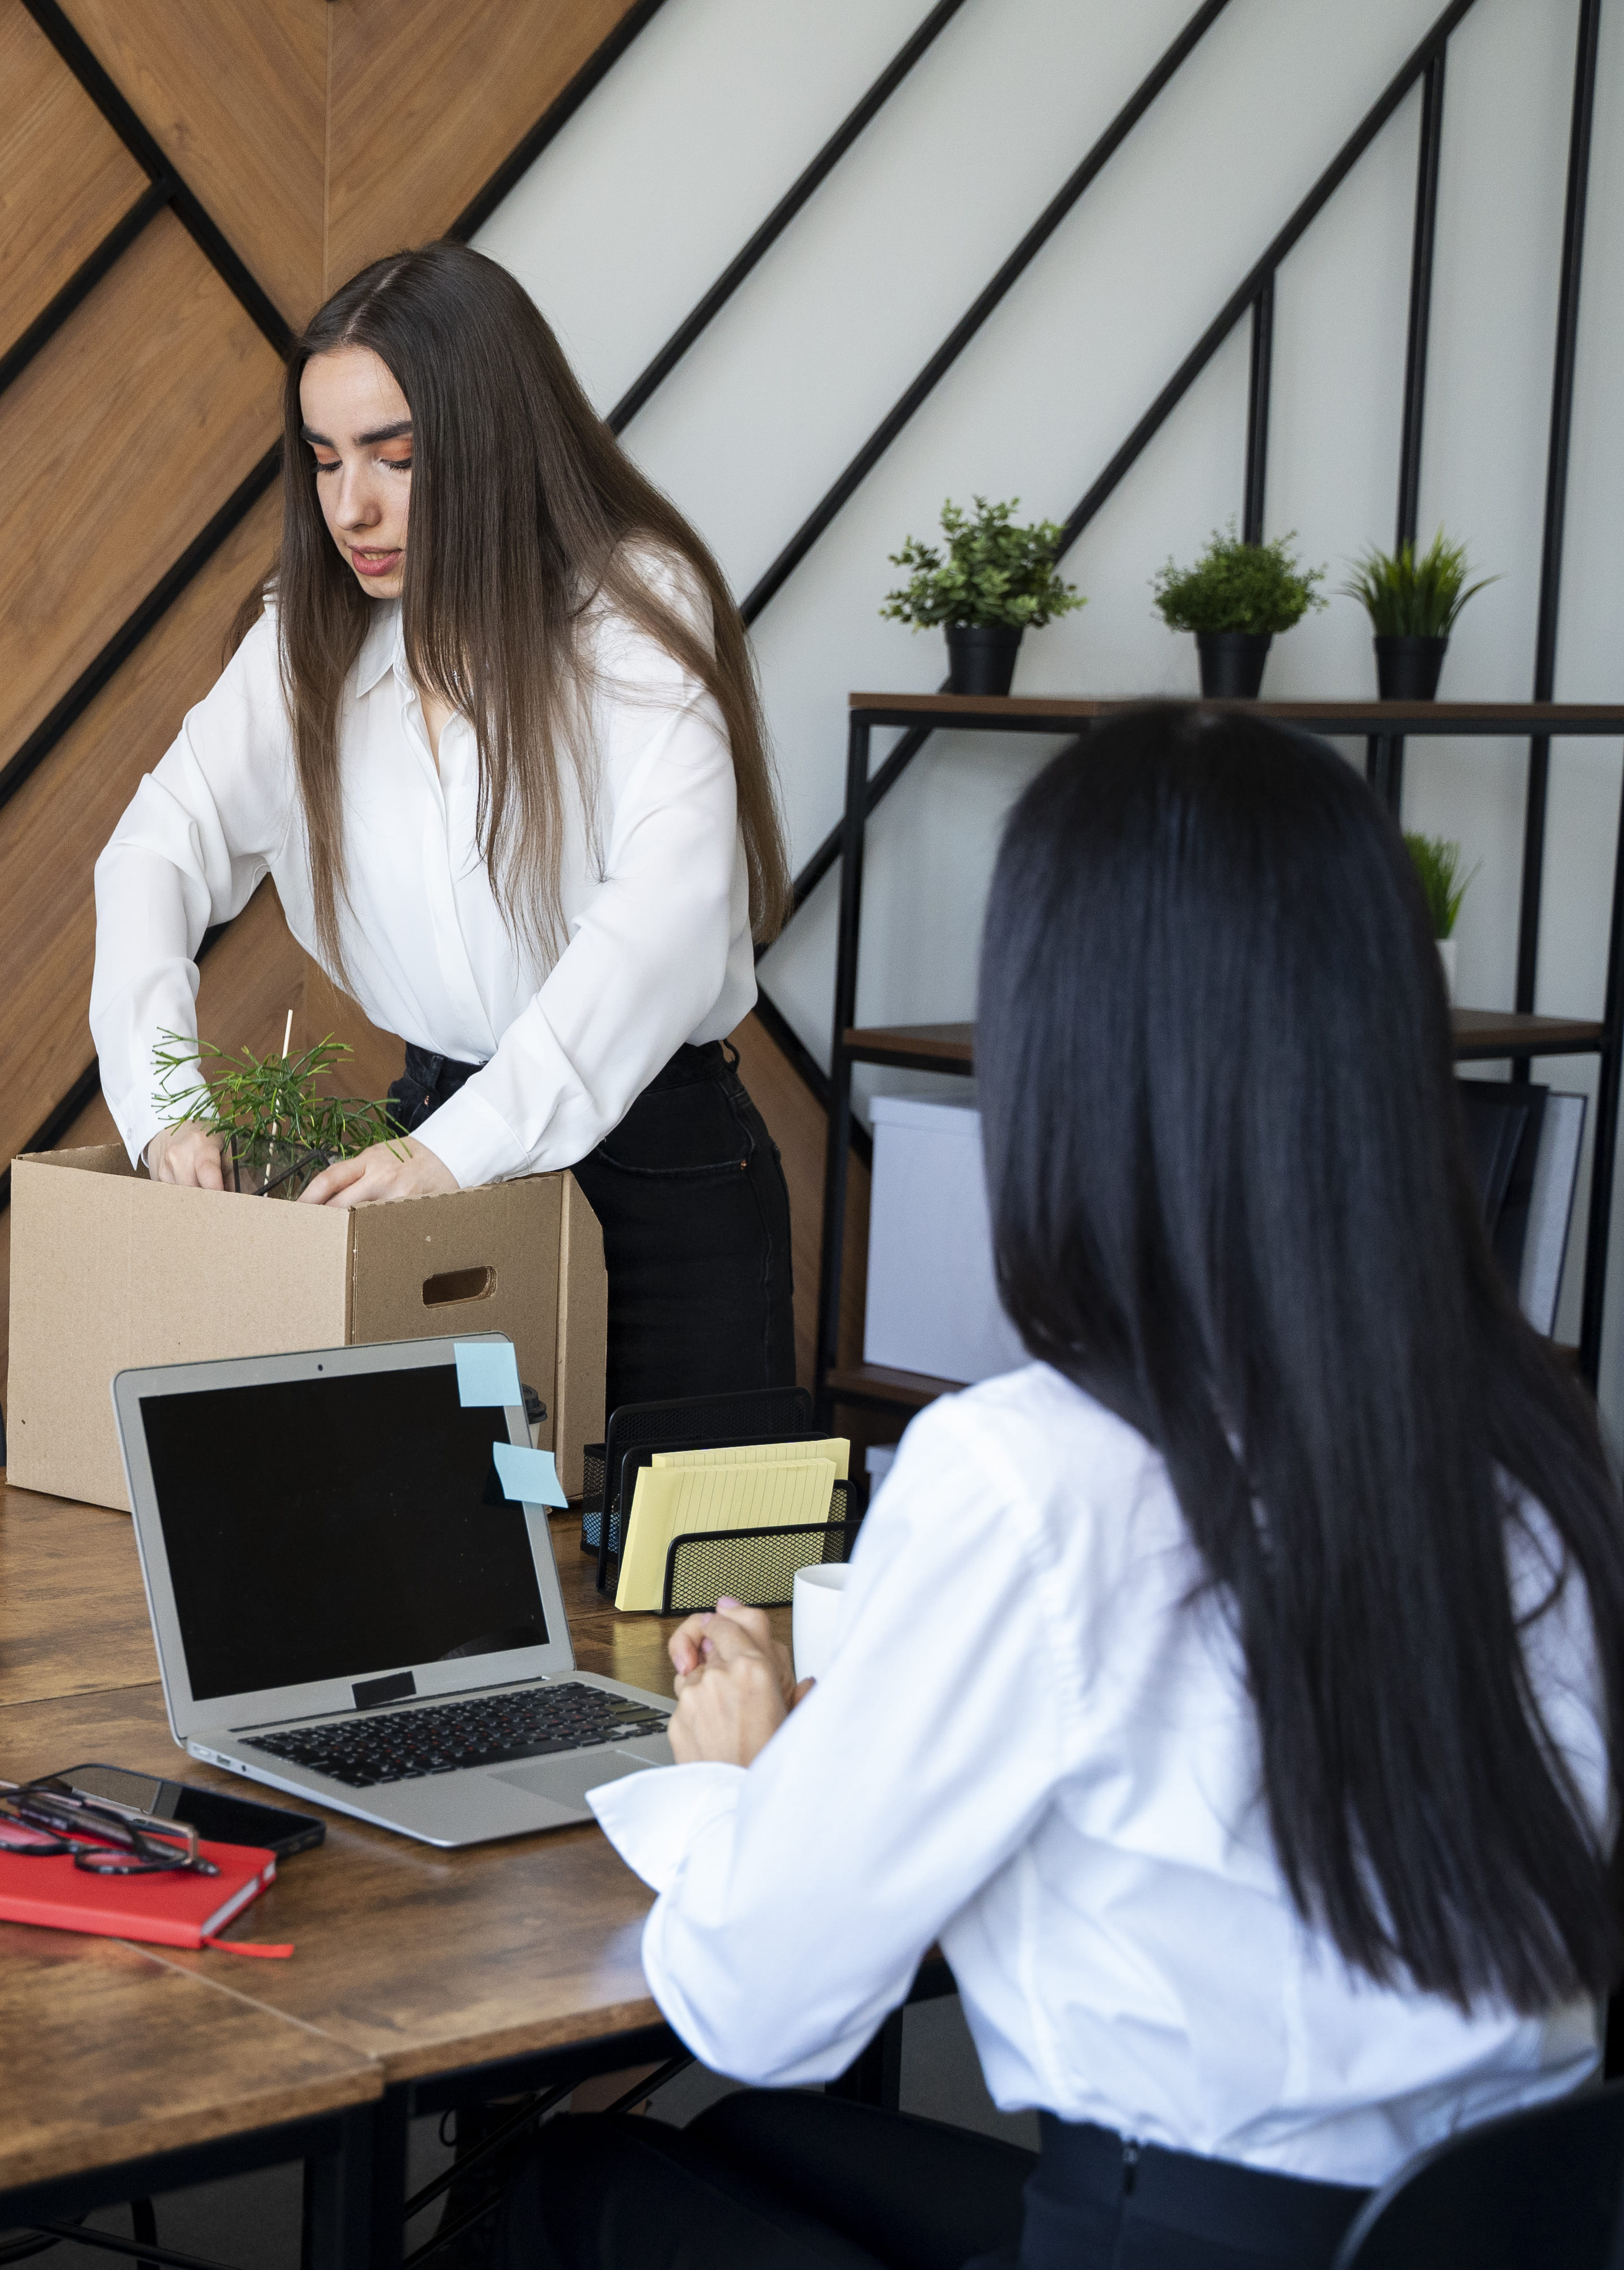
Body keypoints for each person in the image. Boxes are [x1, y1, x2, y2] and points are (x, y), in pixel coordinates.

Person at [500, 707, 1623, 2269]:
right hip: (1472, 2227)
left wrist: (743, 1783)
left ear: (1065, 1059)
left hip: (1171, 2235)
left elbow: (756, 2007)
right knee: (752, 2146)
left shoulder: (1038, 1472)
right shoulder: (1526, 1438)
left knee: (574, 2187)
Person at [90, 242, 797, 1420]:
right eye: (324, 460)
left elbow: (661, 925)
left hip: (656, 1177)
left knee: (685, 1540)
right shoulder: (305, 641)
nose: (350, 507)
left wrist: (459, 1150)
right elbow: (153, 851)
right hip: (429, 1150)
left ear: (493, 439)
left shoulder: (630, 610)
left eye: (397, 457)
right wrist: (164, 1105)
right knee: (456, 1537)